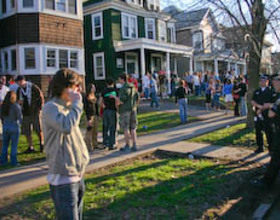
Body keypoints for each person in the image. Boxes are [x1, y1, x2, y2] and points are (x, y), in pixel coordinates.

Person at [42, 69, 89, 220]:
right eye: (75, 86)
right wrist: (76, 104)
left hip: (78, 176)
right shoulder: (51, 108)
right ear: (64, 87)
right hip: (63, 180)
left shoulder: (68, 108)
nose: (78, 90)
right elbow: (66, 126)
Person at [253, 74, 280, 189]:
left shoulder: (275, 96)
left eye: (275, 82)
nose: (274, 84)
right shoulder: (258, 91)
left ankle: (267, 182)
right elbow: (253, 100)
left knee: (276, 155)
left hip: (273, 123)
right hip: (262, 117)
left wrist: (270, 106)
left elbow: (271, 113)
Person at [16, 76, 44, 153]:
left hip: (35, 112)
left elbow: (41, 96)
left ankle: (42, 144)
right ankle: (30, 146)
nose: (20, 84)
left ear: (23, 81)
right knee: (27, 131)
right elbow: (17, 100)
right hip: (25, 113)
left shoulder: (33, 87)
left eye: (20, 82)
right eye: (18, 83)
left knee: (38, 129)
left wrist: (40, 108)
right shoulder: (19, 90)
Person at [251, 75, 278, 153]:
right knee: (258, 131)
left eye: (264, 80)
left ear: (267, 81)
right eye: (261, 80)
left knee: (269, 132)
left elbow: (272, 103)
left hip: (267, 115)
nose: (262, 82)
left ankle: (271, 148)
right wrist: (258, 106)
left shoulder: (271, 92)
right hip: (258, 114)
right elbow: (253, 101)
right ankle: (260, 147)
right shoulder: (257, 91)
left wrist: (262, 108)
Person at [118, 74, 139, 152]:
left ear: (122, 79)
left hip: (125, 110)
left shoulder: (123, 88)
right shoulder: (133, 86)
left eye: (119, 79)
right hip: (133, 109)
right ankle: (134, 144)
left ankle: (127, 145)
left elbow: (122, 100)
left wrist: (115, 99)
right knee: (133, 128)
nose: (119, 81)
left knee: (125, 128)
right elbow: (137, 97)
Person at [0, 91, 22, 166]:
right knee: (14, 145)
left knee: (5, 145)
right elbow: (20, 117)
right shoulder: (16, 106)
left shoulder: (3, 106)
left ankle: (3, 161)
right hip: (14, 126)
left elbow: (1, 117)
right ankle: (13, 161)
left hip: (6, 126)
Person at [100, 79, 118, 150]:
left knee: (105, 127)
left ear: (106, 84)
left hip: (106, 110)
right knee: (112, 127)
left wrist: (103, 106)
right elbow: (117, 101)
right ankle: (111, 144)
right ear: (113, 83)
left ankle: (105, 143)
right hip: (113, 110)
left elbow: (100, 101)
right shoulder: (115, 91)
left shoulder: (103, 91)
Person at [83, 83, 100, 152]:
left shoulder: (94, 96)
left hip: (95, 115)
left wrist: (98, 115)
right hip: (89, 116)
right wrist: (88, 118)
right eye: (93, 87)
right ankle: (88, 146)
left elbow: (96, 106)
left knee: (95, 131)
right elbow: (86, 108)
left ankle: (95, 144)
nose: (94, 89)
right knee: (89, 131)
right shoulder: (86, 97)